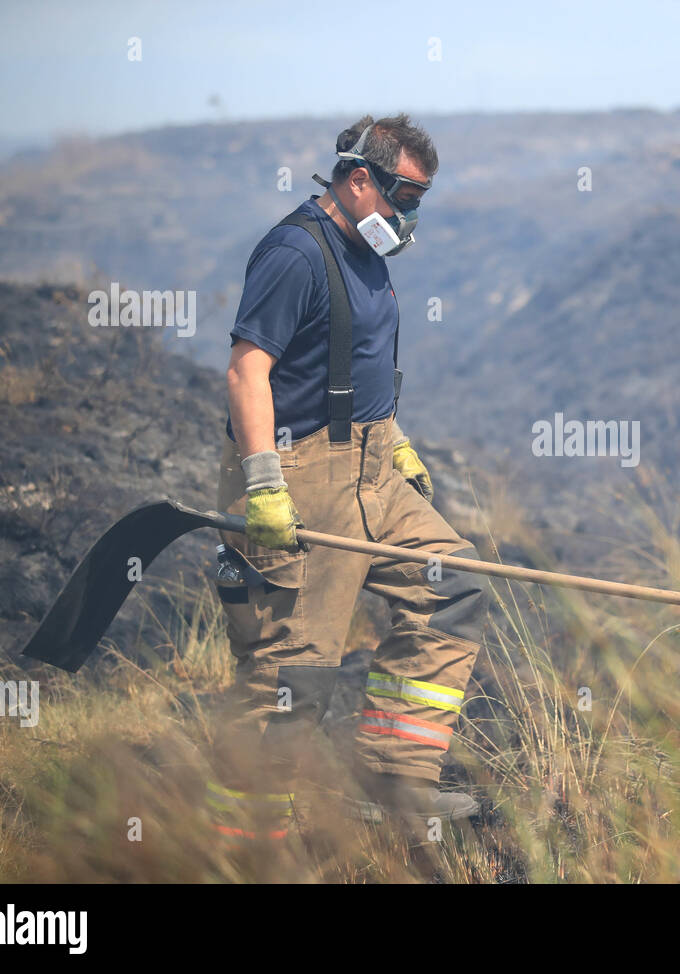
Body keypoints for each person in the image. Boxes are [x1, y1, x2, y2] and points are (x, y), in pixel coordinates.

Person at [207, 113, 486, 843]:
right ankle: (246, 839)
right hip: (301, 476)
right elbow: (248, 370)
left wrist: (394, 442)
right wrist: (264, 482)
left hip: (371, 471)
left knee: (450, 587)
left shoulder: (367, 251)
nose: (412, 214)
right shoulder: (295, 254)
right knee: (291, 673)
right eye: (405, 196)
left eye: (421, 199)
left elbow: (349, 365)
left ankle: (392, 776)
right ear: (359, 180)